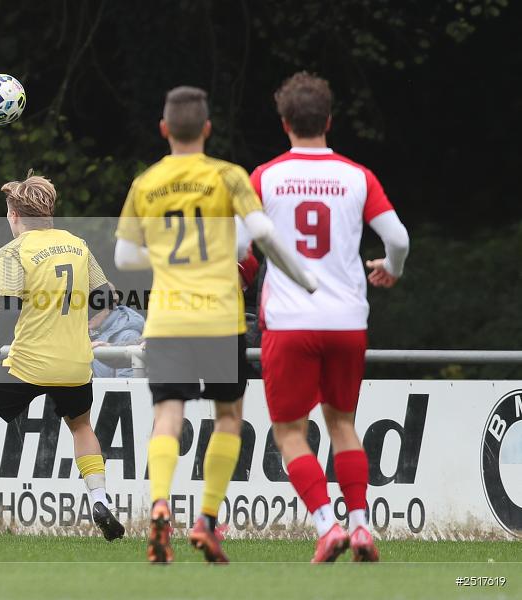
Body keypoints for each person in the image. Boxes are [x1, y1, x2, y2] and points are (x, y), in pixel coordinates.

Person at [114, 86, 317, 564]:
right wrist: (307, 282)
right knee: (227, 416)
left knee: (168, 412)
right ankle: (206, 520)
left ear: (164, 130)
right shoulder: (228, 176)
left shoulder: (146, 182)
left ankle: (160, 505)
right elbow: (263, 235)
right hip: (219, 317)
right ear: (207, 129)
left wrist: (161, 256)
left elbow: (124, 256)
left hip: (167, 318)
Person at [250, 72, 410, 562]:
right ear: (329, 120)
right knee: (343, 423)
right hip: (346, 320)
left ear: (284, 123)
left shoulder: (265, 176)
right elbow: (398, 239)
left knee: (290, 431)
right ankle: (361, 526)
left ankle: (327, 524)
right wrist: (391, 269)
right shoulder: (356, 176)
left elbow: (241, 250)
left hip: (291, 322)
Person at [0, 172, 125, 544]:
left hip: (28, 363)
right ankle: (100, 501)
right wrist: (84, 330)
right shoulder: (76, 245)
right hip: (76, 363)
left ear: (14, 215)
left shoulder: (14, 252)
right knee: (81, 427)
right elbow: (107, 295)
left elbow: (9, 311)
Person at [89, 304, 145, 378]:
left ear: (107, 310)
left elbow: (126, 385)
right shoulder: (92, 333)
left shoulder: (128, 335)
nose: (87, 317)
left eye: (91, 312)